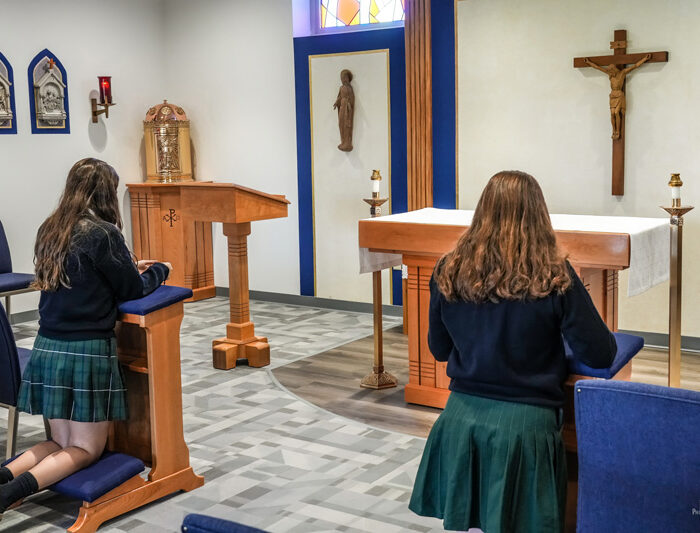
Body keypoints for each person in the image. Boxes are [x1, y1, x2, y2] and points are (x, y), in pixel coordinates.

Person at [409, 170, 617, 532]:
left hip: (460, 420)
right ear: (539, 215)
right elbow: (601, 353)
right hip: (525, 428)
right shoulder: (553, 274)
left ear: (481, 212)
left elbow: (439, 349)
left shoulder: (448, 268)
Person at [0, 158, 171, 515]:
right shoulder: (103, 233)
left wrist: (128, 266)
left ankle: (3, 477)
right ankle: (6, 496)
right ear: (106, 191)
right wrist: (159, 271)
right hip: (85, 350)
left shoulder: (52, 227)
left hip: (48, 345)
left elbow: (83, 278)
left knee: (58, 441)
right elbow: (132, 290)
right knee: (84, 450)